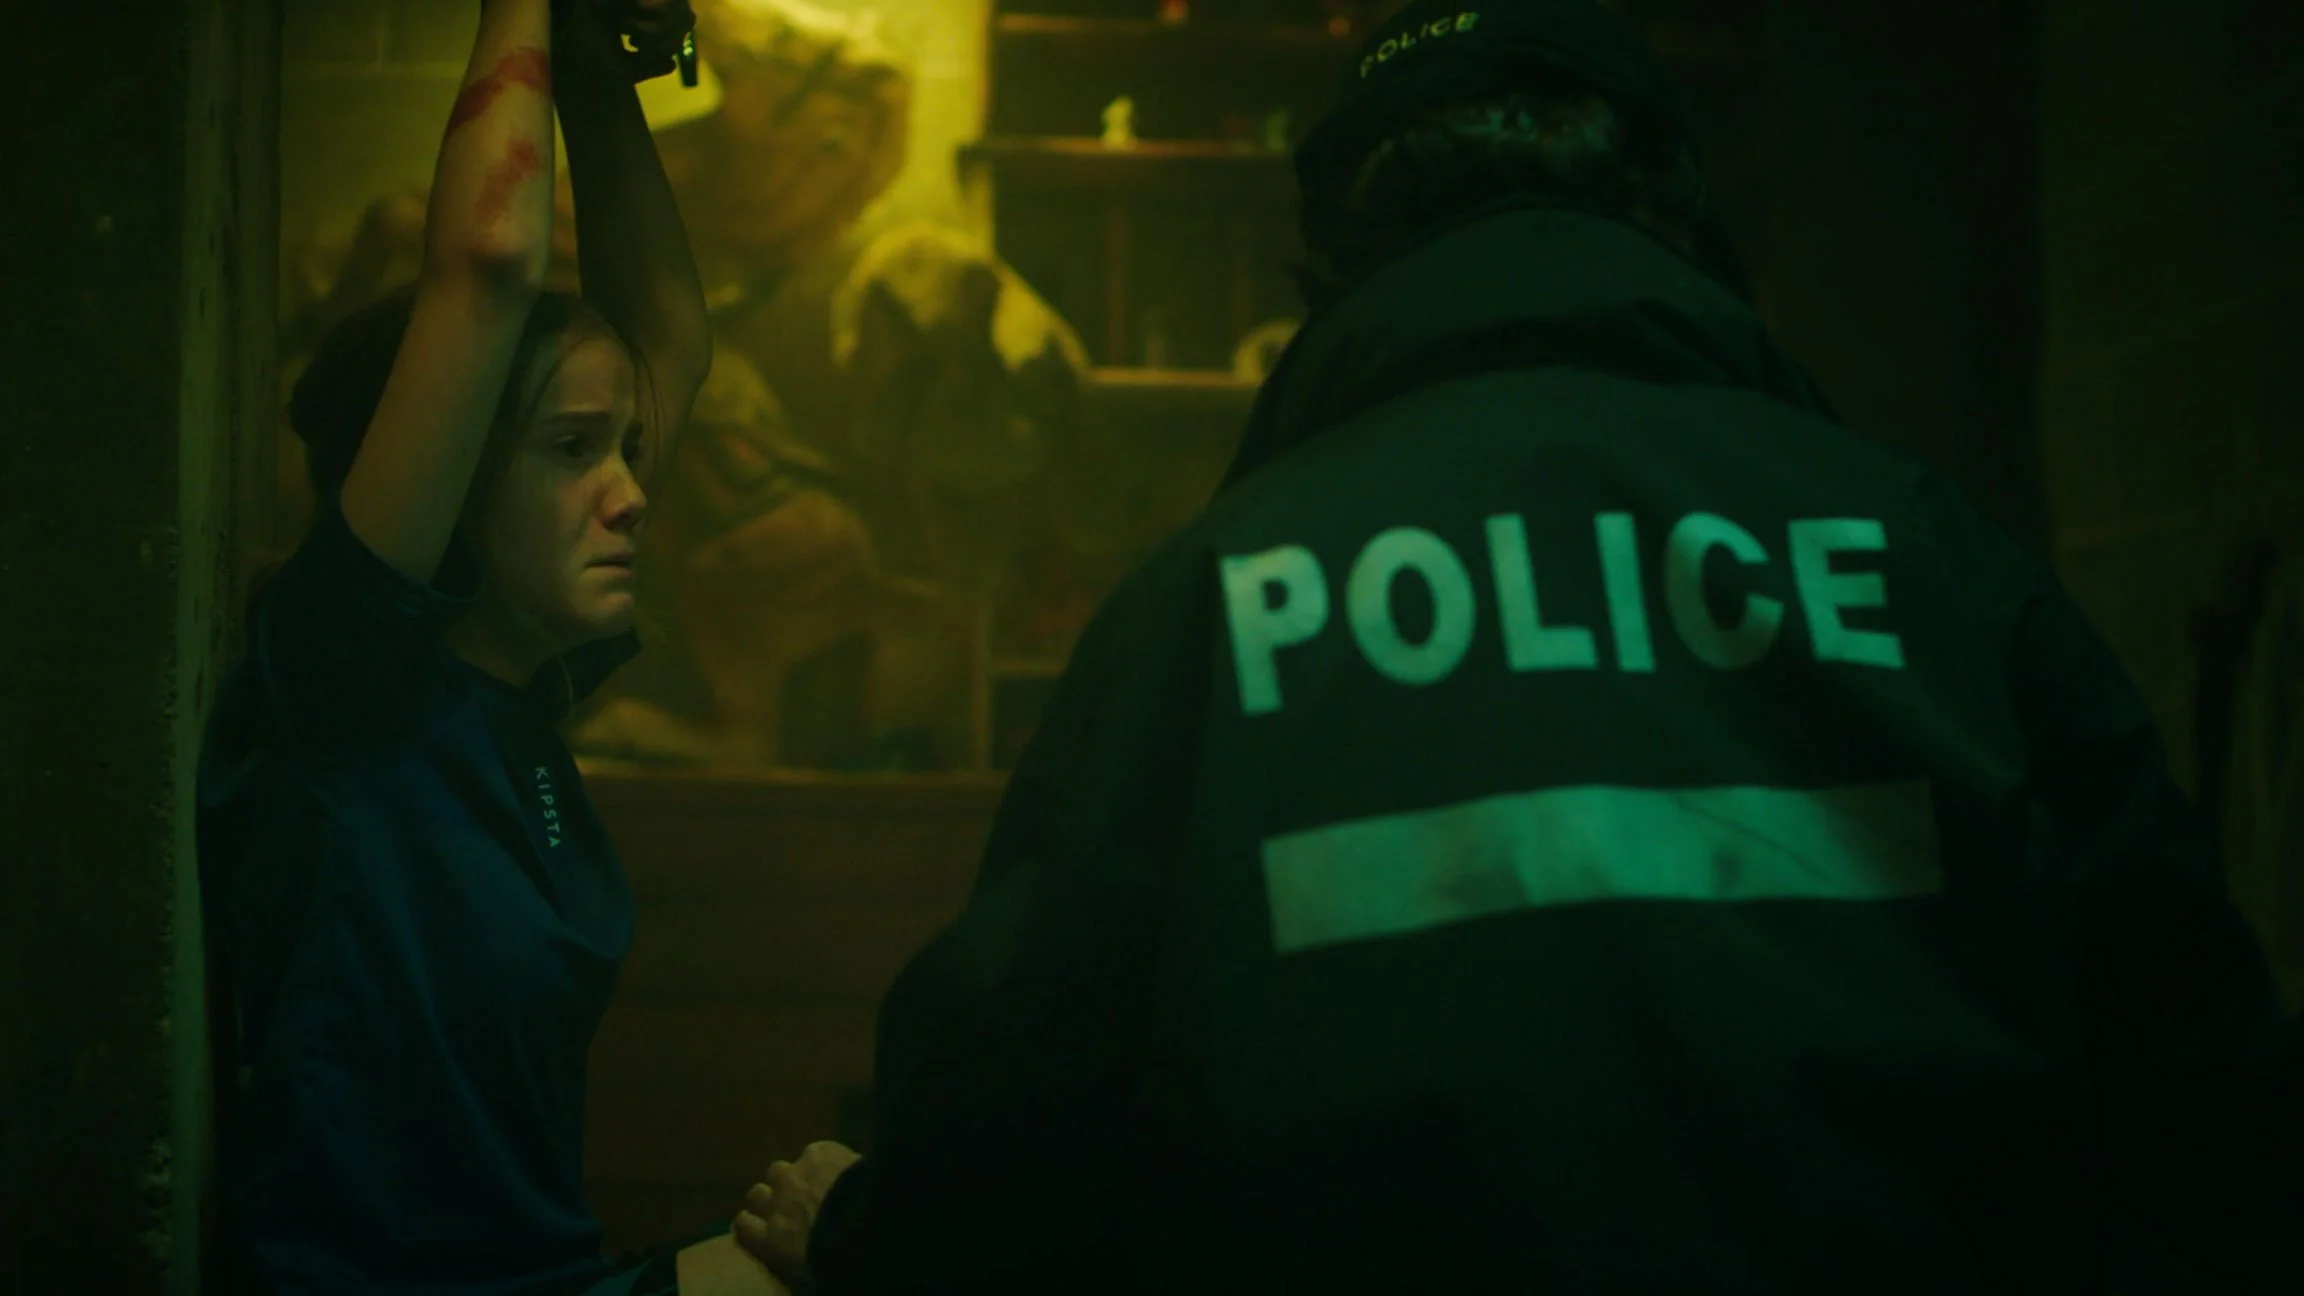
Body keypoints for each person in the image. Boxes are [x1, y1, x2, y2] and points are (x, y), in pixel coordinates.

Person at [726, 2, 2303, 1292]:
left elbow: (1017, 1133)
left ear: (1331, 269)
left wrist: (868, 1236)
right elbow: (2209, 1112)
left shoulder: (1209, 607)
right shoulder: (1931, 559)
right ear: (1679, 225)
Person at [196, 2, 778, 1292]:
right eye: (572, 451)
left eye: (624, 449)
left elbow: (671, 339)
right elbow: (489, 263)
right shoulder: (352, 688)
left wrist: (589, 70)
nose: (631, 492)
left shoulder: (524, 691)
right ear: (451, 481)